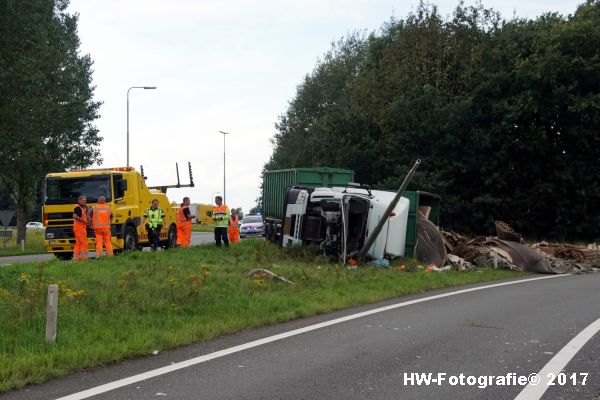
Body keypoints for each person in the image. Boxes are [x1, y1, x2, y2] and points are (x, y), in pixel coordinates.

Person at [72, 195, 89, 261]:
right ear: (79, 200)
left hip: (80, 227)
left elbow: (87, 211)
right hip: (79, 228)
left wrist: (86, 206)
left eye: (85, 200)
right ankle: (83, 257)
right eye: (83, 200)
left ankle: (77, 258)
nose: (85, 201)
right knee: (83, 242)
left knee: (78, 243)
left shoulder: (82, 208)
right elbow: (74, 216)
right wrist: (84, 221)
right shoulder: (77, 208)